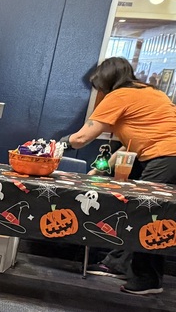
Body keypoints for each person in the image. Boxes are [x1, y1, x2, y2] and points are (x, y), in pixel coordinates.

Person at [63, 56, 176, 295]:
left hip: (166, 157)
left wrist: (56, 147)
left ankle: (148, 279)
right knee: (151, 214)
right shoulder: (151, 92)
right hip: (165, 155)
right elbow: (130, 144)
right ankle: (120, 264)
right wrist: (99, 170)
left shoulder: (119, 96)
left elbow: (83, 137)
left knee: (147, 214)